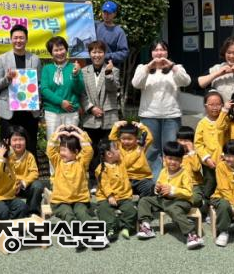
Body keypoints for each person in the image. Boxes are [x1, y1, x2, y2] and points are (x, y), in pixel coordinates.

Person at [132, 40, 191, 178]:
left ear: (167, 52)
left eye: (162, 49)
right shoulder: (143, 68)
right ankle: (154, 181)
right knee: (151, 151)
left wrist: (172, 66)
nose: (159, 53)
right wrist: (148, 67)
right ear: (151, 53)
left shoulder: (177, 68)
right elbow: (136, 83)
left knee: (170, 150)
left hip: (171, 116)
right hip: (149, 115)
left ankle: (170, 179)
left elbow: (186, 81)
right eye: (156, 50)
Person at [135, 142, 204, 249]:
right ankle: (146, 226)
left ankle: (192, 235)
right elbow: (159, 184)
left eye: (176, 159)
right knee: (144, 200)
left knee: (173, 208)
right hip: (164, 200)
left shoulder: (185, 173)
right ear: (164, 158)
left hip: (182, 201)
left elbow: (189, 193)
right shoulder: (163, 171)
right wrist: (157, 189)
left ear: (181, 160)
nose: (172, 162)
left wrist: (173, 190)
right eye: (170, 158)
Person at [0, 25, 43, 159]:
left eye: (21, 38)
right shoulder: (2, 59)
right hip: (9, 111)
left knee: (30, 145)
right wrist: (7, 79)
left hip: (29, 110)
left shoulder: (35, 59)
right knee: (7, 146)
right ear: (11, 39)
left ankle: (31, 172)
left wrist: (38, 100)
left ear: (26, 39)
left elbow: (38, 84)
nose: (18, 41)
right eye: (15, 38)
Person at [46, 124, 97, 250]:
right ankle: (77, 235)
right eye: (61, 149)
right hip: (61, 201)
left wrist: (79, 134)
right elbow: (50, 150)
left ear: (76, 152)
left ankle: (96, 234)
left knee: (82, 213)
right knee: (68, 214)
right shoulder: (58, 161)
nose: (62, 153)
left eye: (65, 150)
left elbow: (88, 151)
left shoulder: (81, 162)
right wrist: (57, 133)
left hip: (79, 199)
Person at [81, 40, 120, 181]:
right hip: (90, 117)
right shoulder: (83, 71)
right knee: (91, 150)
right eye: (94, 52)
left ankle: (107, 179)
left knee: (107, 150)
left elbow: (113, 88)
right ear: (89, 54)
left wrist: (108, 73)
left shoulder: (114, 70)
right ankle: (93, 180)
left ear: (105, 54)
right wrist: (91, 108)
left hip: (108, 117)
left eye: (100, 52)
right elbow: (81, 93)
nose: (97, 55)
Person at [108, 120, 155, 229]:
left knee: (150, 187)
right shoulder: (118, 147)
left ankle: (141, 207)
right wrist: (116, 125)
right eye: (123, 138)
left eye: (130, 139)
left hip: (141, 178)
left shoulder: (140, 146)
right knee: (115, 189)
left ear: (136, 138)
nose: (126, 141)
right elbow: (111, 138)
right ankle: (122, 207)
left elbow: (150, 138)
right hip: (124, 178)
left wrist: (141, 126)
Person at [40, 36, 85, 142]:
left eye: (61, 49)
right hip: (52, 112)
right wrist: (61, 102)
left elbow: (79, 90)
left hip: (71, 112)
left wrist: (75, 75)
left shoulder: (74, 67)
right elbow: (44, 89)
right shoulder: (47, 68)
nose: (59, 53)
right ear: (51, 53)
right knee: (53, 143)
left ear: (66, 50)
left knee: (71, 143)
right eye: (56, 50)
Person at [94, 139, 136, 242]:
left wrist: (140, 148)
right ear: (109, 154)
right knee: (103, 209)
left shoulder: (121, 162)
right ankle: (111, 229)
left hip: (123, 196)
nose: (119, 150)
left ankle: (126, 227)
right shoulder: (100, 169)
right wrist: (110, 196)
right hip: (106, 197)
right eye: (116, 149)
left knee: (131, 210)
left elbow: (132, 157)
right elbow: (104, 184)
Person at [194, 90, 225, 206]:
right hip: (209, 162)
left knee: (224, 185)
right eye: (211, 104)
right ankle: (206, 206)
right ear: (205, 106)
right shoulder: (202, 123)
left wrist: (226, 156)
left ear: (223, 105)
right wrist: (206, 158)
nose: (215, 108)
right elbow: (198, 144)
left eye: (218, 104)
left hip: (225, 161)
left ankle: (221, 207)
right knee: (210, 184)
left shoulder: (226, 121)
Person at [0, 142, 29, 219]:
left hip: (10, 197)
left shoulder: (10, 165)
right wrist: (0, 156)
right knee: (3, 212)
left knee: (23, 207)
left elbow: (13, 156)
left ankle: (12, 222)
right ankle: (3, 219)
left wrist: (7, 146)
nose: (8, 156)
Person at [8, 126, 44, 216]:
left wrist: (23, 183)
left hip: (25, 186)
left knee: (38, 185)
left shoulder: (29, 156)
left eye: (21, 139)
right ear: (9, 141)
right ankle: (10, 212)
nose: (18, 143)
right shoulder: (6, 156)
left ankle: (33, 212)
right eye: (14, 140)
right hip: (9, 187)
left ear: (26, 141)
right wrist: (14, 184)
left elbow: (34, 173)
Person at [176, 126, 204, 209]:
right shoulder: (175, 155)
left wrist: (192, 152)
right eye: (180, 140)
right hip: (179, 184)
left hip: (194, 185)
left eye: (186, 141)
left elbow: (196, 168)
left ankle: (183, 204)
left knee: (196, 199)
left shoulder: (194, 154)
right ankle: (182, 205)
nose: (183, 143)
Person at [94, 0, 128, 67]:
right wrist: (86, 6)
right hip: (93, 68)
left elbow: (124, 53)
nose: (106, 15)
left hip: (110, 68)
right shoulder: (96, 26)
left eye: (109, 13)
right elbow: (83, 20)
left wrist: (106, 56)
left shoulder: (119, 32)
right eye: (104, 12)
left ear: (115, 14)